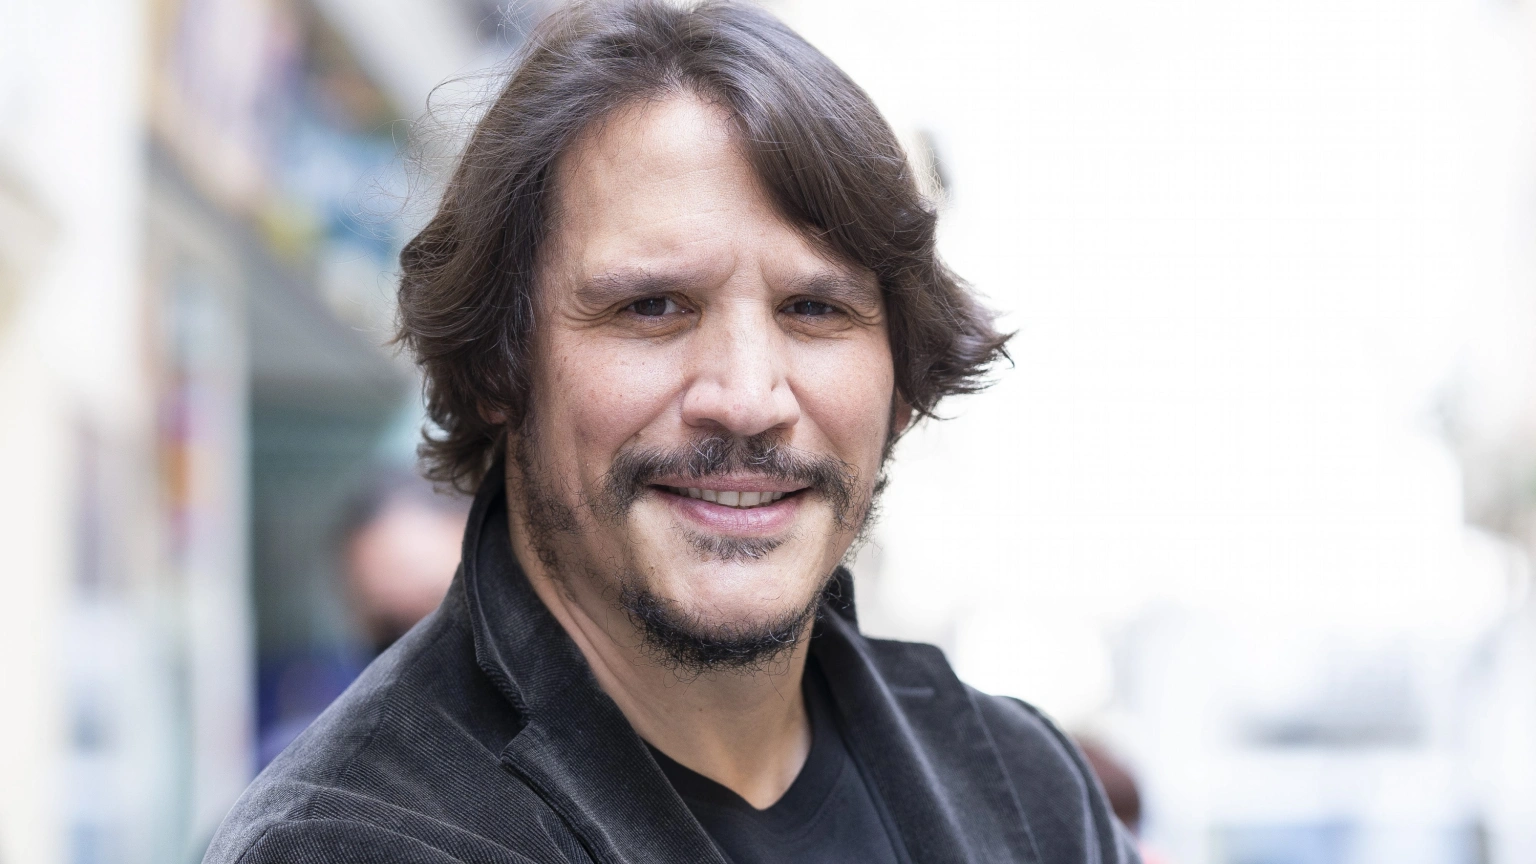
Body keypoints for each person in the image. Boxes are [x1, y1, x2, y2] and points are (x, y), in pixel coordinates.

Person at [206, 2, 1139, 861]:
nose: (748, 397)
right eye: (653, 306)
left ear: (901, 381)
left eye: (814, 309)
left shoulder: (1030, 797)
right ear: (499, 367)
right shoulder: (355, 841)